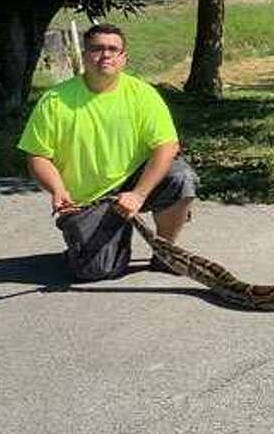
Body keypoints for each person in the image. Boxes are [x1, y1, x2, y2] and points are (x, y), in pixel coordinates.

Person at [17, 23, 199, 280]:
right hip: (90, 199)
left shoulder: (142, 94)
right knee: (98, 270)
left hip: (134, 183)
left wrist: (138, 194)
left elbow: (167, 146)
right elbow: (37, 155)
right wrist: (57, 189)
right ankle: (87, 245)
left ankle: (165, 253)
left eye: (113, 49)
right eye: (97, 49)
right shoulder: (55, 100)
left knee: (181, 177)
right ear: (84, 53)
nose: (106, 55)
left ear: (123, 57)